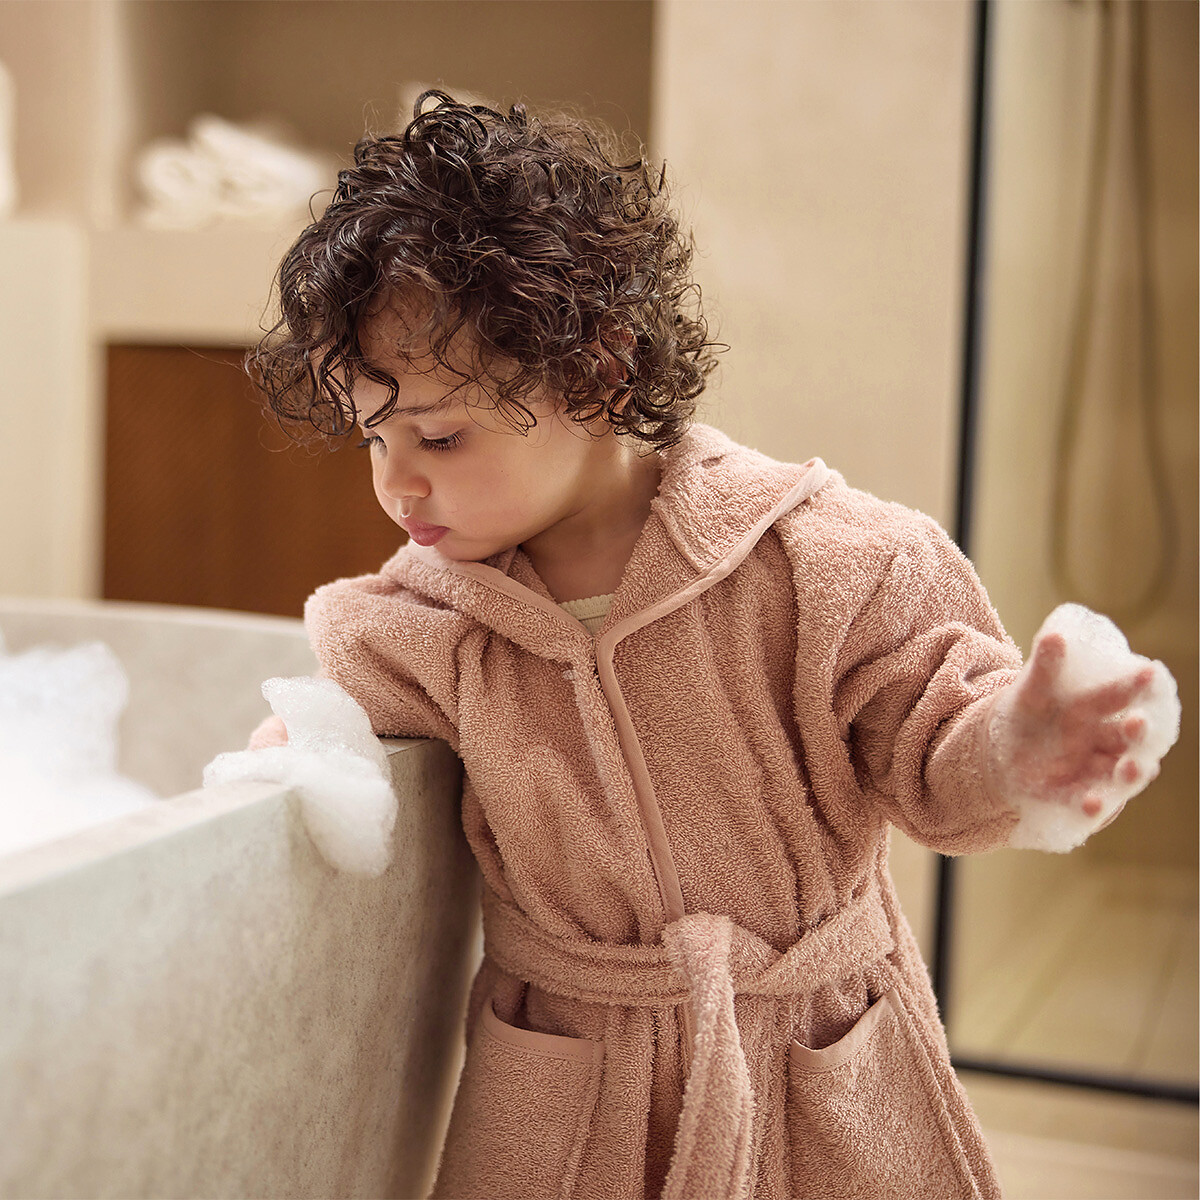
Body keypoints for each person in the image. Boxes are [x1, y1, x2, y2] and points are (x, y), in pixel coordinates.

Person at [246, 91, 1175, 1200]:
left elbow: (938, 739)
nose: (397, 483)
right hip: (573, 1084)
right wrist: (286, 765)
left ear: (598, 374)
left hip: (808, 1051)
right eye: (374, 438)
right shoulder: (420, 625)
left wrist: (1014, 752)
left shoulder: (826, 562)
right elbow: (331, 730)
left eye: (440, 437)